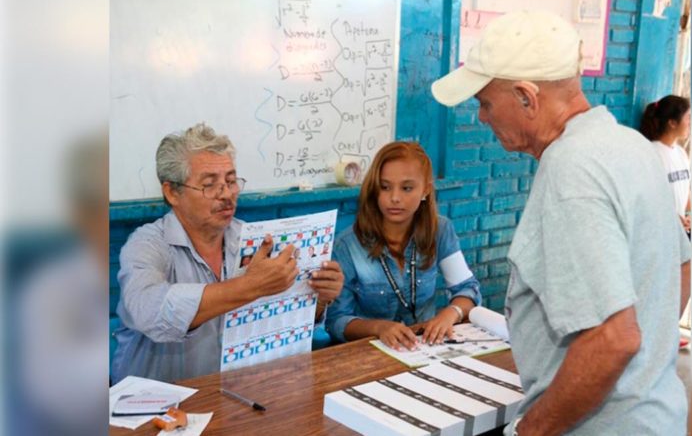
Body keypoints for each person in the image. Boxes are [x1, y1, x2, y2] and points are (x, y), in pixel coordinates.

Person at [431, 11, 691, 435]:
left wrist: (530, 430)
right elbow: (684, 265)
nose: (481, 117)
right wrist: (644, 371)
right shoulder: (630, 144)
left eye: (484, 102)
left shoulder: (572, 170)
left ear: (526, 98)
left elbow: (613, 340)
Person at [112, 123, 344, 383]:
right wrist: (249, 286)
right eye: (210, 185)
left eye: (231, 182)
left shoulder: (253, 238)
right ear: (172, 192)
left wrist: (319, 298)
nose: (227, 194)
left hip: (233, 397)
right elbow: (147, 310)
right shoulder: (147, 244)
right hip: (154, 406)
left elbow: (276, 319)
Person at [326, 142, 482, 350]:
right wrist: (379, 328)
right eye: (385, 187)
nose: (395, 198)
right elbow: (336, 321)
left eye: (407, 188)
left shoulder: (441, 230)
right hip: (368, 354)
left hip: (424, 347)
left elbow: (467, 289)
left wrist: (449, 314)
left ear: (425, 190)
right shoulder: (347, 245)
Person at [640, 95, 692, 233]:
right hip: (659, 233)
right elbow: (646, 198)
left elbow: (685, 194)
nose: (691, 123)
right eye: (688, 118)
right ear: (672, 123)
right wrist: (673, 218)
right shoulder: (651, 152)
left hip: (680, 233)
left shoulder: (682, 153)